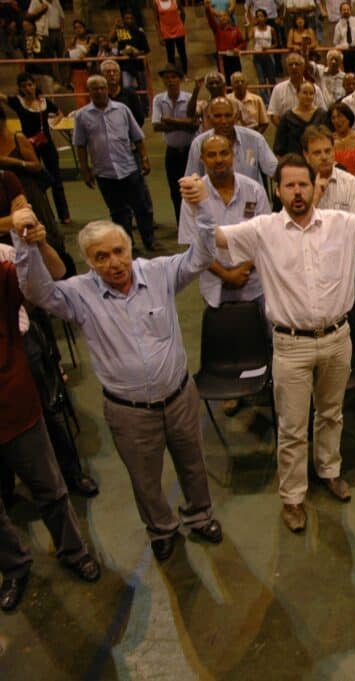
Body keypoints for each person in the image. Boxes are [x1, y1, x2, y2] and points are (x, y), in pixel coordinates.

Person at [197, 151, 355, 532]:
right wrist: (197, 205)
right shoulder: (261, 230)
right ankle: (293, 497)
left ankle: (329, 471)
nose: (297, 192)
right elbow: (212, 242)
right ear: (277, 190)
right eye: (289, 185)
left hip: (338, 338)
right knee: (292, 426)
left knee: (332, 413)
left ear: (316, 188)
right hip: (290, 345)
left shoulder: (340, 224)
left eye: (304, 184)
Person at [15, 203, 225, 562]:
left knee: (193, 464)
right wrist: (25, 245)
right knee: (145, 479)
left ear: (129, 250)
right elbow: (37, 292)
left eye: (118, 251)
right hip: (129, 412)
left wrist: (200, 208)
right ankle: (162, 529)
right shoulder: (80, 294)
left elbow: (203, 255)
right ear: (88, 261)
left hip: (179, 397)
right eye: (101, 256)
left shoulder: (158, 273)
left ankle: (200, 515)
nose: (113, 262)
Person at [1, 224, 100, 613]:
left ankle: (73, 551)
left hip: (14, 407)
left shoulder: (3, 271)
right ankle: (13, 566)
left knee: (50, 488)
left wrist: (31, 242)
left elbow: (40, 286)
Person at [177, 134, 267, 310]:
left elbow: (265, 236)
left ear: (233, 154)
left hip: (254, 284)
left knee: (262, 335)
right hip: (215, 288)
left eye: (224, 153)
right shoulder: (192, 197)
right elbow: (194, 246)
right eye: (212, 155)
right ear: (202, 159)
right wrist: (227, 275)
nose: (219, 159)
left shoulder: (254, 190)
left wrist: (243, 269)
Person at [74, 75, 157, 251]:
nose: (99, 92)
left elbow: (137, 137)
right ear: (89, 92)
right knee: (118, 213)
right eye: (94, 88)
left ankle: (149, 239)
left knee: (142, 207)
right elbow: (80, 145)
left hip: (129, 168)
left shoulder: (122, 110)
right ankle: (127, 244)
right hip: (105, 173)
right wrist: (85, 169)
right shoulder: (82, 116)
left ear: (107, 89)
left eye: (102, 88)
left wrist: (144, 158)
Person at [5, 73, 69, 224]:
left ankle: (64, 214)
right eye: (24, 86)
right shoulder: (17, 102)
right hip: (29, 147)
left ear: (35, 85)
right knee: (37, 182)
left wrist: (55, 122)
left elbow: (59, 112)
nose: (28, 88)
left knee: (56, 179)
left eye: (30, 84)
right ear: (20, 88)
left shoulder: (43, 102)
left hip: (46, 144)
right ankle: (43, 214)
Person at [186, 97, 278, 182]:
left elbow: (274, 170)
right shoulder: (199, 144)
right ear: (209, 118)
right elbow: (192, 179)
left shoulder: (255, 139)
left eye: (228, 115)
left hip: (250, 198)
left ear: (236, 116)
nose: (224, 121)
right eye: (218, 116)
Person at [152, 64, 198, 225]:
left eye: (174, 77)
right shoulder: (159, 99)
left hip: (189, 151)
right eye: (167, 77)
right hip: (172, 152)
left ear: (180, 79)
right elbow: (157, 126)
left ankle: (196, 222)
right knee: (175, 190)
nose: (170, 80)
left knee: (194, 187)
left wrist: (170, 120)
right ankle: (182, 224)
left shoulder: (189, 98)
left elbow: (194, 125)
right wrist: (184, 124)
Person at [304, 125, 355, 215]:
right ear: (306, 156)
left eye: (328, 151)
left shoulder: (351, 183)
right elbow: (295, 226)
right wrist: (315, 199)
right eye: (317, 153)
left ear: (334, 151)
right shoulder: (298, 186)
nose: (324, 157)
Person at [268, 53, 328, 127]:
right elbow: (273, 115)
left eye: (297, 64)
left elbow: (322, 113)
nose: (294, 67)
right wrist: (283, 130)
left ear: (303, 67)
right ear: (286, 68)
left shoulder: (315, 89)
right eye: (290, 64)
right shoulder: (278, 89)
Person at [274, 81, 329, 156]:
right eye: (305, 93)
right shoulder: (287, 117)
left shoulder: (322, 115)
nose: (308, 96)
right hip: (295, 161)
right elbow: (280, 146)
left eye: (311, 93)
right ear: (297, 94)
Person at [111, 11, 150, 92]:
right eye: (127, 18)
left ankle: (145, 104)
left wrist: (136, 52)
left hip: (139, 65)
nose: (129, 20)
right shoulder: (121, 32)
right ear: (123, 20)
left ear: (134, 20)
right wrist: (115, 26)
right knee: (126, 87)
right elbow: (111, 39)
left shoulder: (139, 32)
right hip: (125, 65)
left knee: (143, 88)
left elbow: (146, 50)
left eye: (131, 18)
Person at [101, 59, 146, 126]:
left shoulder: (131, 94)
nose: (112, 74)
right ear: (102, 75)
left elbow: (140, 120)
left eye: (115, 71)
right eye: (108, 72)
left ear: (119, 74)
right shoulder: (99, 96)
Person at [328, 100, 355, 175]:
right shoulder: (328, 140)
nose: (336, 120)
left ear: (348, 117)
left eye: (340, 116)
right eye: (333, 118)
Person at [250, 8, 276, 105]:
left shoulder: (271, 29)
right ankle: (266, 101)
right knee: (261, 79)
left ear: (265, 17)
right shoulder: (254, 29)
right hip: (258, 56)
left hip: (269, 56)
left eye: (262, 16)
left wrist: (269, 48)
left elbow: (276, 43)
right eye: (258, 16)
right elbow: (248, 38)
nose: (260, 18)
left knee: (271, 78)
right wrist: (248, 26)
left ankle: (274, 100)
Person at [154, 0, 188, 74]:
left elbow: (183, 13)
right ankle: (173, 75)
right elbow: (156, 19)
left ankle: (185, 74)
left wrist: (181, 25)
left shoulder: (176, 0)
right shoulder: (156, 2)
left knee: (182, 53)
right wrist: (159, 35)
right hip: (166, 31)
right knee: (170, 54)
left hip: (178, 29)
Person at [333, 1, 355, 72]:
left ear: (350, 10)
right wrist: (343, 46)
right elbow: (336, 42)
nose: (346, 11)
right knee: (348, 73)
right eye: (344, 10)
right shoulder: (338, 26)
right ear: (340, 11)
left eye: (347, 9)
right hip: (346, 52)